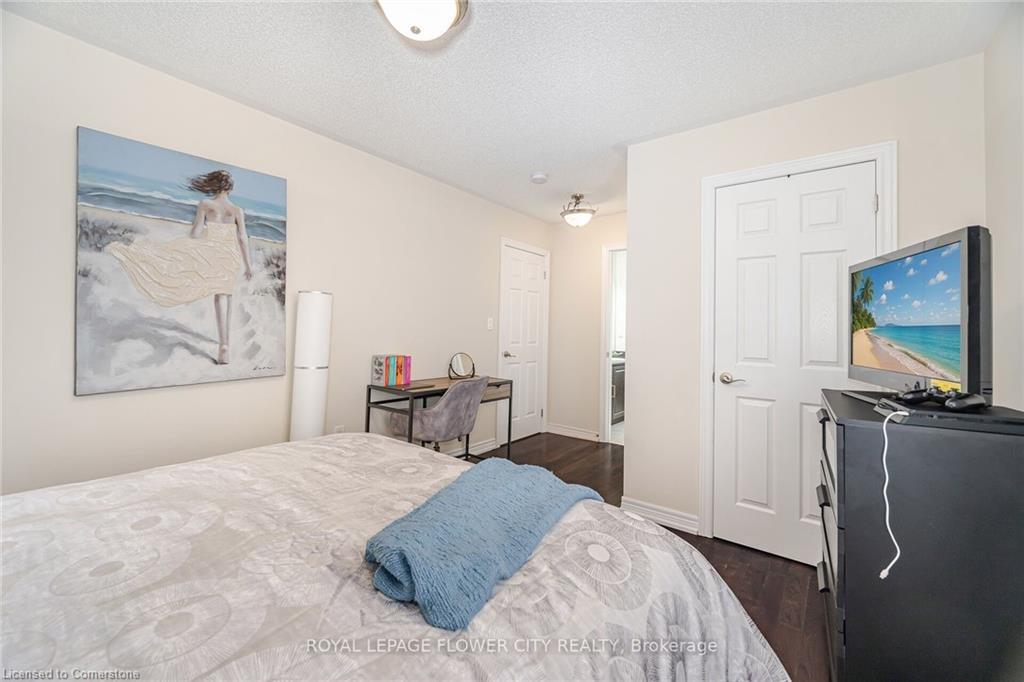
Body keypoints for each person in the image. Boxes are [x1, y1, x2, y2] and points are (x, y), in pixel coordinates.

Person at [107, 170, 253, 365]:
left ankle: (223, 344)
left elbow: (195, 233)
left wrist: (196, 243)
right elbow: (242, 239)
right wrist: (248, 265)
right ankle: (225, 345)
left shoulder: (206, 205)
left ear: (214, 185)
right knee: (225, 295)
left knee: (215, 294)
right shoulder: (237, 210)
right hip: (230, 256)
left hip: (211, 253)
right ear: (230, 188)